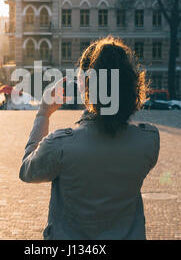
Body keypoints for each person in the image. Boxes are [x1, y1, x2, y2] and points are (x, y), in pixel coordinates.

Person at [19, 36, 160, 240]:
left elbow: (27, 171)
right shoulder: (148, 141)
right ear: (133, 87)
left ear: (87, 87)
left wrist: (43, 113)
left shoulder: (61, 145)